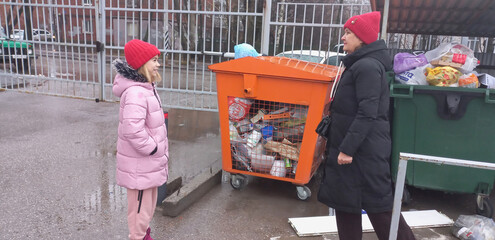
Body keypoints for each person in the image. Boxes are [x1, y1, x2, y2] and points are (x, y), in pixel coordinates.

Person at [317, 12, 416, 240]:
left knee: (380, 209)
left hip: (363, 154)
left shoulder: (368, 67)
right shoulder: (358, 64)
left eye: (349, 33)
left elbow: (367, 112)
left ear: (362, 38)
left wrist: (347, 148)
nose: (343, 37)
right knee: (346, 205)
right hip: (354, 153)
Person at [112, 39, 169, 240]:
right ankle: (139, 236)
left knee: (147, 205)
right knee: (139, 208)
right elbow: (132, 129)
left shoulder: (146, 87)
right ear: (142, 63)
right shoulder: (136, 92)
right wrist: (153, 148)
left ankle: (143, 233)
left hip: (147, 163)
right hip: (141, 163)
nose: (158, 64)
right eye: (154, 60)